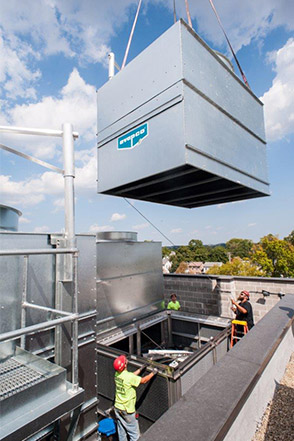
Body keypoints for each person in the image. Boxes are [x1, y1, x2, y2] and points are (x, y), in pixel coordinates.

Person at [113, 355, 157, 441]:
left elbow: (131, 375)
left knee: (121, 432)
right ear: (125, 365)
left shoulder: (117, 374)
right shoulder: (129, 377)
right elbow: (144, 380)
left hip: (118, 407)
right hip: (127, 410)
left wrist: (141, 369)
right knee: (134, 435)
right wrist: (153, 372)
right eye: (125, 361)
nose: (126, 360)